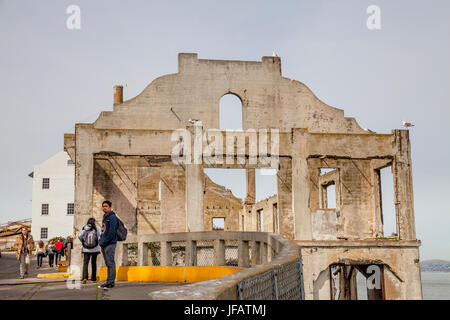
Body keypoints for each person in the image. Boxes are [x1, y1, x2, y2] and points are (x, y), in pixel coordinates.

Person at [98, 200, 118, 290]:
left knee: (110, 263)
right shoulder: (105, 217)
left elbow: (112, 232)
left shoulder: (112, 217)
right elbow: (103, 230)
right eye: (103, 206)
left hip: (110, 244)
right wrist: (101, 241)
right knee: (108, 263)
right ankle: (108, 281)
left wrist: (104, 241)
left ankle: (111, 282)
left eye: (106, 206)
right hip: (104, 244)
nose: (104, 208)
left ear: (110, 207)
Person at [78, 218, 101, 284]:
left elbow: (79, 236)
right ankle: (93, 278)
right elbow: (101, 234)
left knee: (85, 263)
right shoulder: (96, 229)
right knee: (93, 263)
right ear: (94, 222)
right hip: (95, 249)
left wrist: (83, 242)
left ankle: (85, 278)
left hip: (86, 249)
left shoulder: (85, 228)